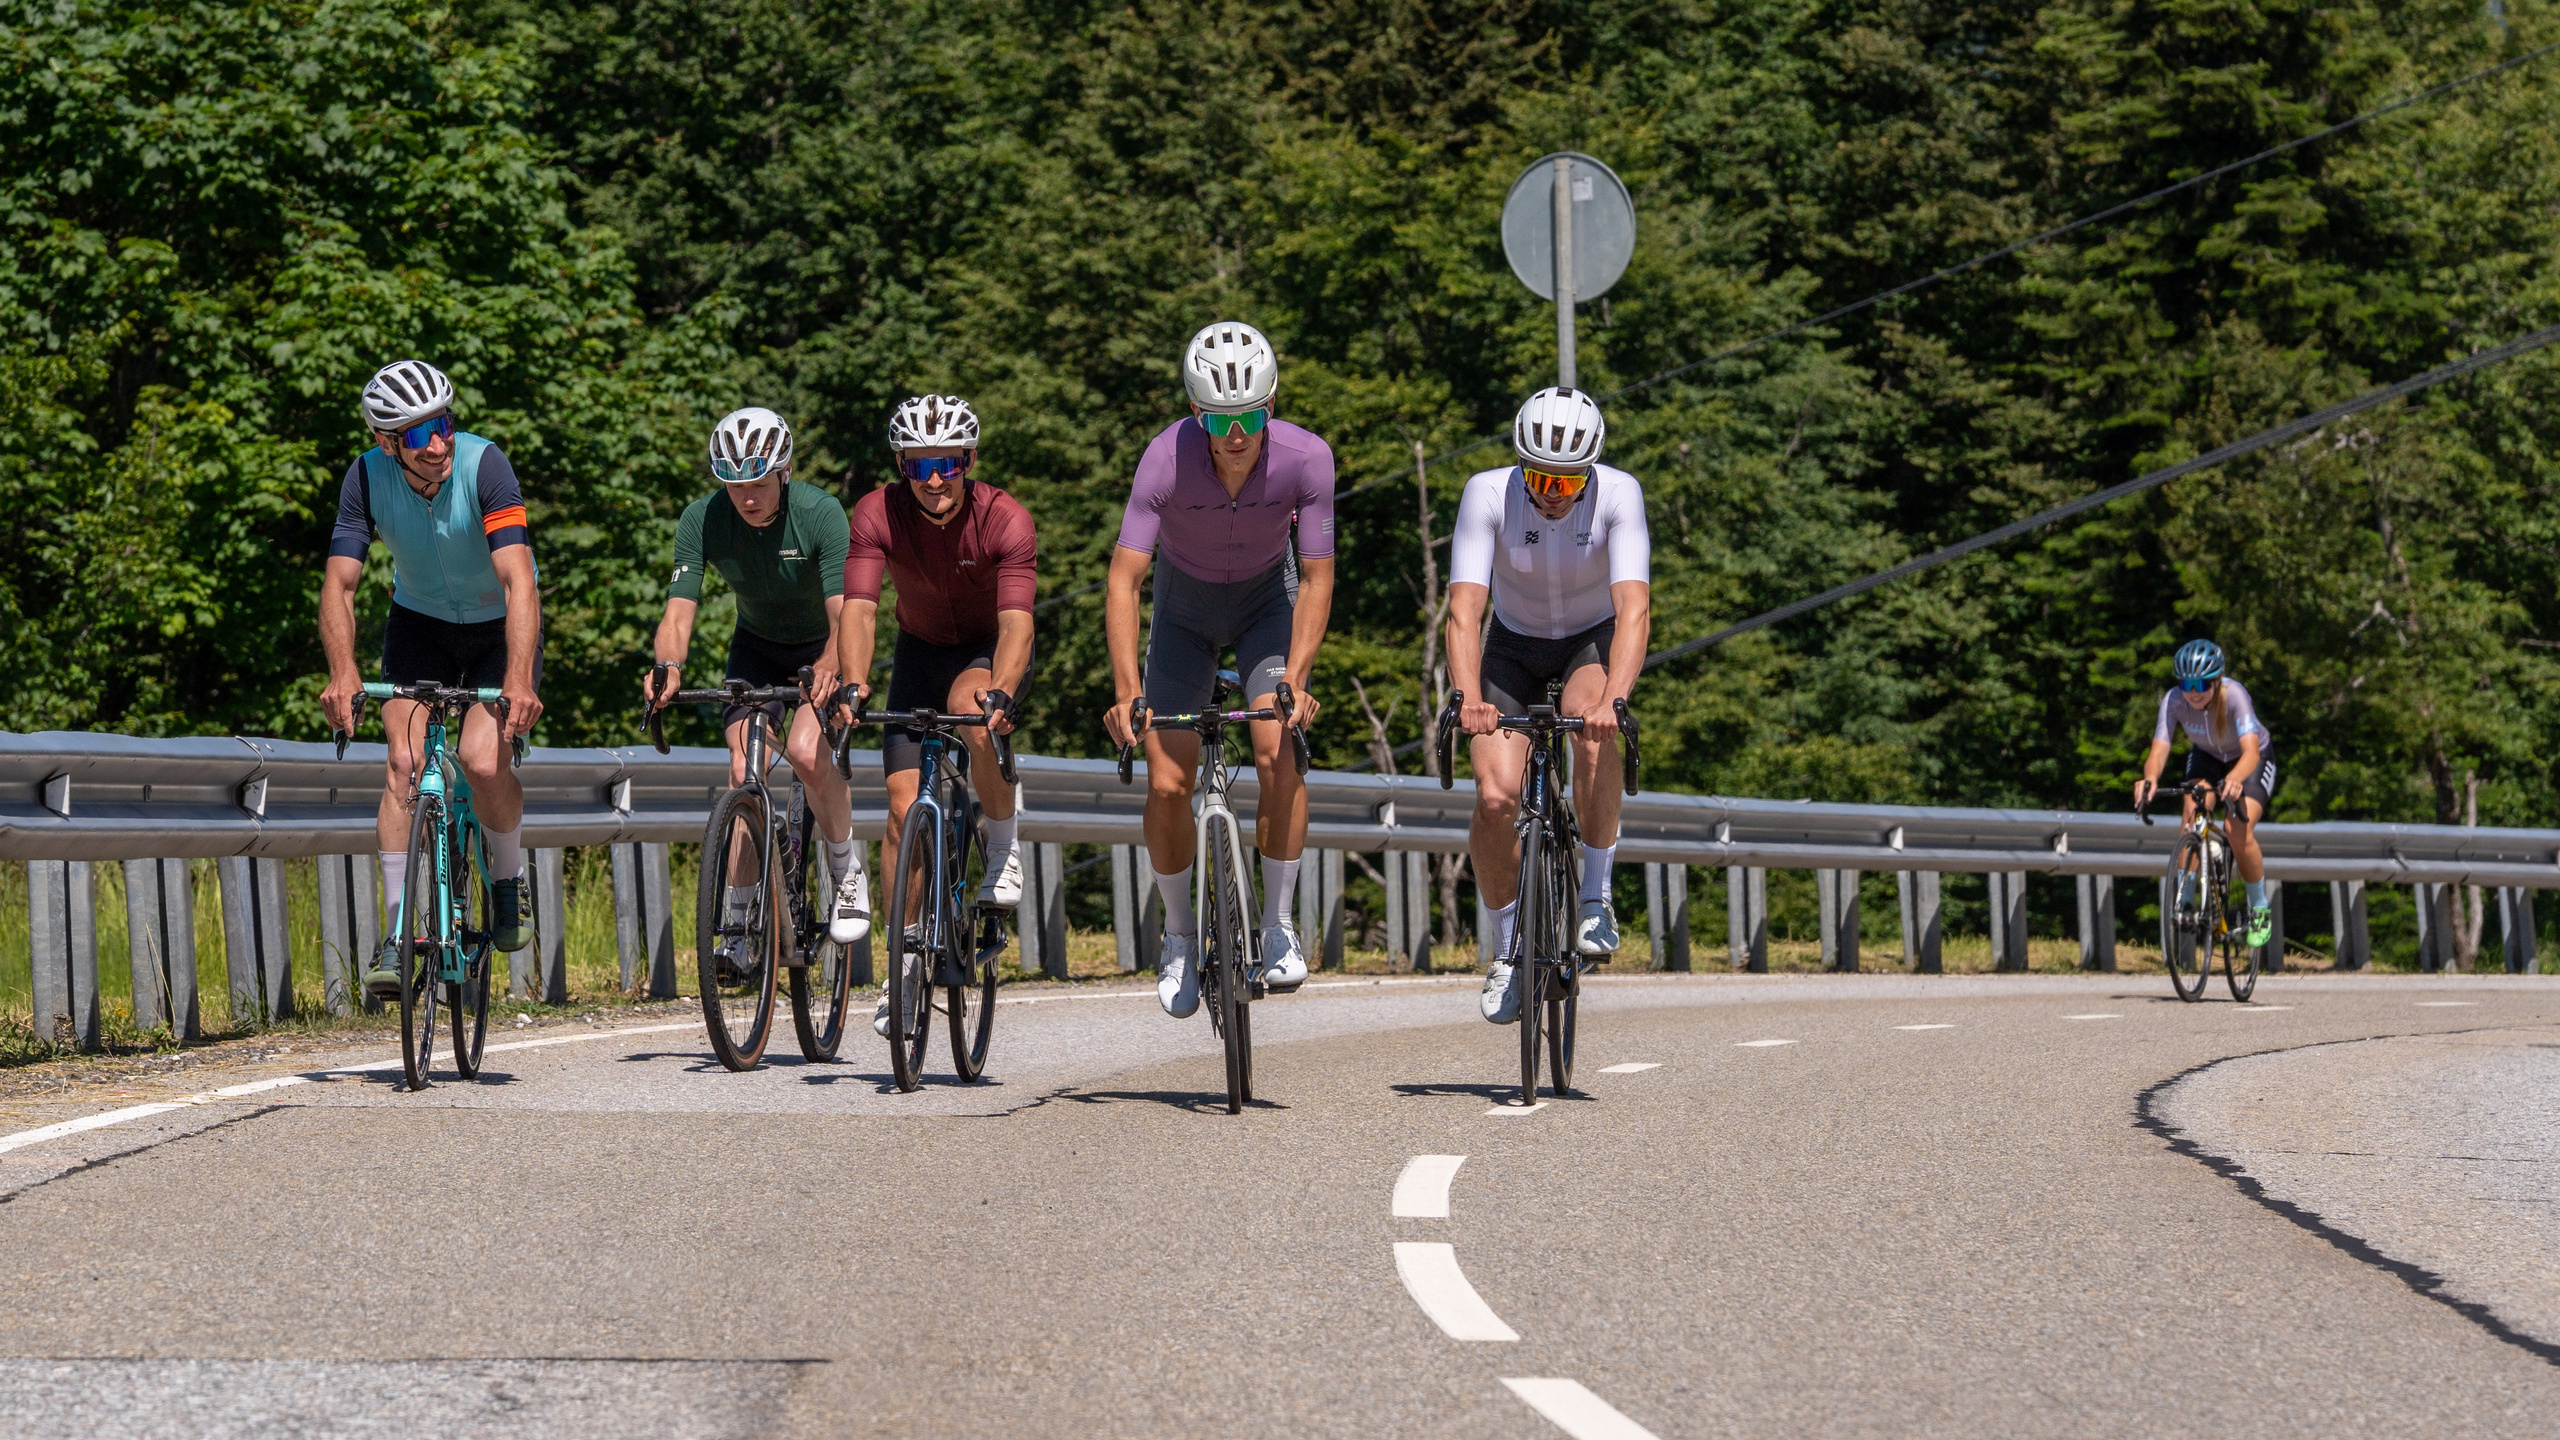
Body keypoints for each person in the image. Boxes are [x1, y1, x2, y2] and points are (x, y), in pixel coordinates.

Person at [1102, 321, 1334, 1018]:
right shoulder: (1164, 459)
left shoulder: (1306, 458)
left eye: (1254, 415)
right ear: (1197, 414)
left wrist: (1296, 673)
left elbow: (1318, 577)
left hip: (1268, 604)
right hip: (1184, 613)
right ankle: (1177, 936)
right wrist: (1127, 691)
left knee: (1275, 752)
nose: (1239, 434)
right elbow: (1124, 581)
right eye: (1222, 419)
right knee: (1169, 780)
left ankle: (1278, 924)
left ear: (1272, 405)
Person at [320, 360, 543, 997]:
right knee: (403, 764)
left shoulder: (485, 466)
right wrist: (344, 671)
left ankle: (506, 879)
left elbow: (518, 579)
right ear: (390, 443)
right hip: (419, 624)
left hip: (498, 628)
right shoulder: (364, 477)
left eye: (443, 425)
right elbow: (340, 583)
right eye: (420, 436)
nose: (439, 444)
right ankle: (395, 931)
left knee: (480, 759)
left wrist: (520, 677)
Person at [1445, 387, 1650, 1024]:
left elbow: (1634, 609)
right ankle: (1506, 952)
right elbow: (1463, 610)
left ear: (1589, 471)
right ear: (1520, 465)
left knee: (1594, 731)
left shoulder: (1620, 494)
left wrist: (1616, 698)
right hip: (1511, 644)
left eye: (1567, 481)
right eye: (1539, 477)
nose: (1553, 493)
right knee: (1497, 797)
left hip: (1587, 642)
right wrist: (1469, 697)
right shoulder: (1487, 493)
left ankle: (1595, 896)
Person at [645, 407, 866, 980]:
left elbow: (848, 615)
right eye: (735, 484)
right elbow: (678, 612)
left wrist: (827, 666)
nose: (747, 497)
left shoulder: (820, 513)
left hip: (826, 643)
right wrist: (667, 664)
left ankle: (844, 867)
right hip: (756, 647)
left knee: (809, 752)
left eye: (759, 482)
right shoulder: (703, 519)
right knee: (745, 769)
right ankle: (739, 924)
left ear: (784, 470)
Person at [840, 395, 1037, 1034]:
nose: (933, 480)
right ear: (902, 465)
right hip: (919, 650)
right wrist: (853, 684)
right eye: (920, 466)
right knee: (901, 811)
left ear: (967, 462)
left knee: (968, 709)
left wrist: (1002, 693)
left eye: (947, 465)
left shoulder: (1005, 519)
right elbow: (861, 611)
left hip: (988, 652)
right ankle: (901, 967)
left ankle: (1004, 843)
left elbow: (1016, 624)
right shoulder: (875, 513)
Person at [2134, 639, 2278, 948]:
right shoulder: (2174, 700)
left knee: (2236, 829)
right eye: (2187, 683)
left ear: (2215, 681)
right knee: (2191, 816)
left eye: (2201, 683)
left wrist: (2237, 778)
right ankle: (2185, 900)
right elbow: (2160, 749)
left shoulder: (2234, 695)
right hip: (2208, 757)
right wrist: (2149, 779)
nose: (2194, 692)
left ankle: (2260, 909)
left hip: (2250, 760)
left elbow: (2250, 752)